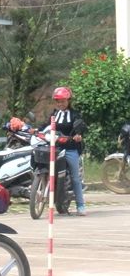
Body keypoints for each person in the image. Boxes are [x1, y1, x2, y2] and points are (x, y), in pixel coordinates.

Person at [31, 86, 88, 216]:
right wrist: (36, 130)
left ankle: (80, 205)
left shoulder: (74, 114)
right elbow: (46, 125)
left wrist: (78, 134)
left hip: (70, 148)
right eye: (58, 101)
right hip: (54, 147)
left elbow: (80, 126)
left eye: (63, 101)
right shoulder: (54, 114)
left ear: (69, 101)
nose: (60, 104)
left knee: (75, 177)